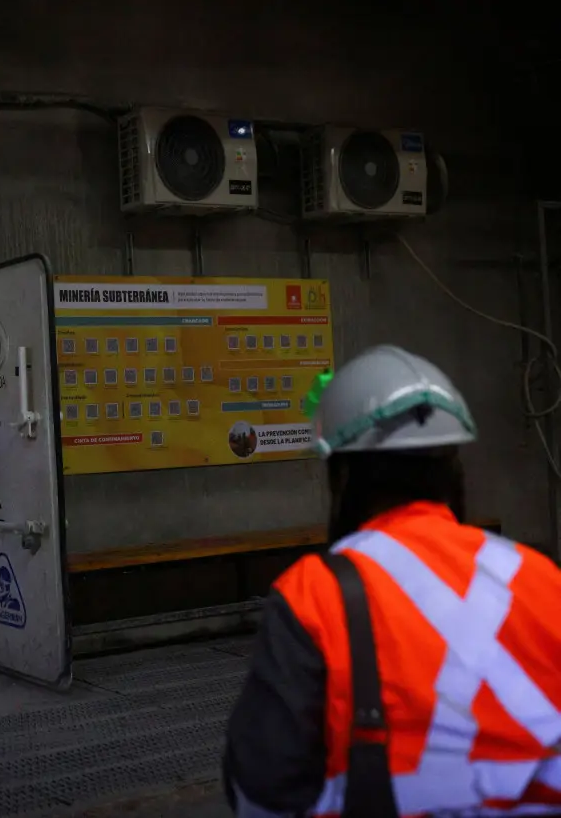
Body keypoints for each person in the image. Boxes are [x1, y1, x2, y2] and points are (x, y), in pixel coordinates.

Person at [223, 345, 561, 818]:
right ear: (453, 470)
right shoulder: (539, 575)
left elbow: (261, 790)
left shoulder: (314, 593)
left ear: (341, 477)